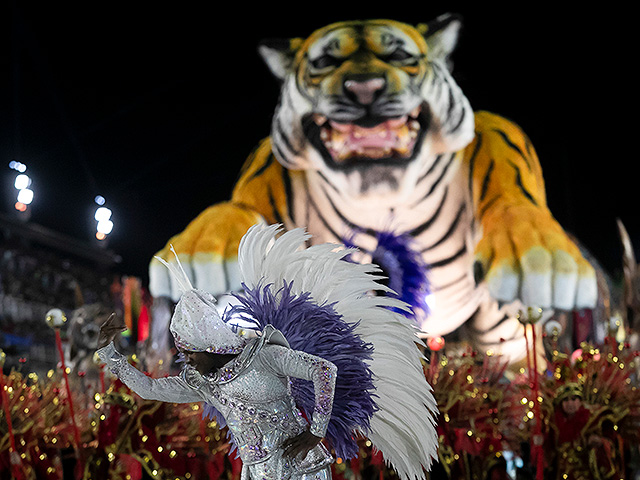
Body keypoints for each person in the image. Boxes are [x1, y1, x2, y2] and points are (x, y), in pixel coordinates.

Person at [97, 224, 439, 480]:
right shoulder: (202, 382)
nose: (186, 361)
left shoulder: (264, 356)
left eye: (188, 353)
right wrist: (110, 354)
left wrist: (315, 431)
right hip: (257, 473)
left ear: (207, 347)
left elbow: (324, 370)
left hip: (301, 471)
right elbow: (149, 388)